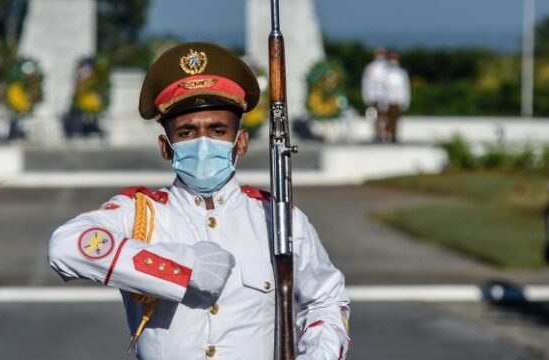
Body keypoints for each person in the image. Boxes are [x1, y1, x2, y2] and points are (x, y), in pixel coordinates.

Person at [48, 42, 351, 360]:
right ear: (166, 147)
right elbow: (66, 247)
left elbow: (326, 301)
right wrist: (181, 268)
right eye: (187, 133)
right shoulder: (143, 215)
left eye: (218, 130)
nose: (204, 142)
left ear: (241, 143)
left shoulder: (277, 218)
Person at [362, 47, 389, 142]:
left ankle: (383, 133)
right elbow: (365, 82)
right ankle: (376, 133)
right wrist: (366, 96)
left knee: (384, 117)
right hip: (373, 96)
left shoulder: (388, 67)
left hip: (385, 97)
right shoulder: (370, 67)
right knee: (374, 117)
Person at [384, 52, 411, 143]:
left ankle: (394, 135)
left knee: (396, 119)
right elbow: (383, 88)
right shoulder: (385, 73)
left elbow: (405, 88)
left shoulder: (402, 73)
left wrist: (405, 101)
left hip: (398, 100)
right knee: (387, 119)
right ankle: (388, 134)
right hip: (388, 101)